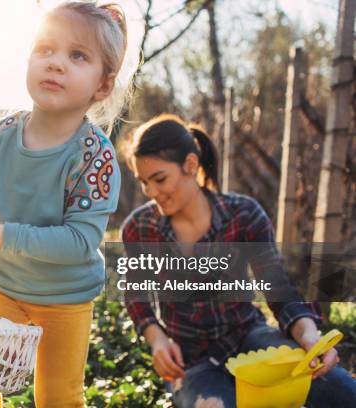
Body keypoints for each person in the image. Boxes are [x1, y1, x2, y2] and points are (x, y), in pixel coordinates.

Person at [0, 2, 135, 406]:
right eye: (45, 48)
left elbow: (80, 242)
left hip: (66, 297)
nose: (56, 63)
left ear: (103, 86)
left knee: (58, 399)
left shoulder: (94, 156)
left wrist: (3, 236)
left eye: (77, 55)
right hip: (4, 288)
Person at [120, 114, 356, 407]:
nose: (152, 193)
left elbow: (279, 289)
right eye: (144, 183)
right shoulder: (140, 228)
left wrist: (309, 336)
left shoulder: (243, 214)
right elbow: (136, 296)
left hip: (250, 340)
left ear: (190, 165)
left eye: (159, 179)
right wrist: (157, 339)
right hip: (191, 362)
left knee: (341, 389)